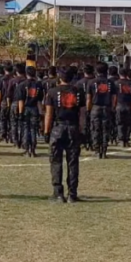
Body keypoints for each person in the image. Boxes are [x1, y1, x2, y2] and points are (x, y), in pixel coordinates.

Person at [44, 68, 85, 203]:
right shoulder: (78, 92)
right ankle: (72, 194)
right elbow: (82, 114)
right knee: (73, 162)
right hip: (73, 127)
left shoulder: (52, 92)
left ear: (59, 77)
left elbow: (49, 114)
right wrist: (82, 130)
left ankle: (58, 193)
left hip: (58, 128)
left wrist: (46, 131)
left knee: (56, 161)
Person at [86, 64, 115, 159]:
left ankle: (97, 150)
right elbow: (114, 97)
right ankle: (104, 150)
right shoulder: (110, 82)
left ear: (96, 71)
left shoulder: (91, 82)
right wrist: (113, 108)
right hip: (107, 107)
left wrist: (88, 110)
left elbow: (88, 98)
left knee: (95, 129)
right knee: (106, 129)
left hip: (95, 107)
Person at [15, 66, 45, 158]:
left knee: (26, 129)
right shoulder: (39, 85)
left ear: (26, 73)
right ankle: (33, 149)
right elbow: (40, 100)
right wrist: (41, 112)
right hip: (35, 108)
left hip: (25, 108)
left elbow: (21, 101)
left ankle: (27, 149)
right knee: (33, 129)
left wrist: (20, 113)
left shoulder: (22, 85)